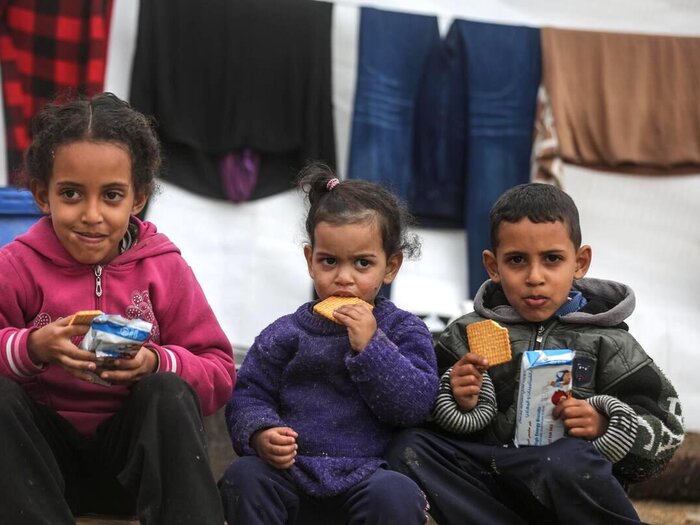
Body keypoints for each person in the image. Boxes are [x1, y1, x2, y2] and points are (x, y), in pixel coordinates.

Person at [386, 182, 685, 524]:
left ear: (580, 262)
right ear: (493, 265)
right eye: (516, 260)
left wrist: (606, 426)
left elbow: (668, 431)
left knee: (567, 461)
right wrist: (455, 400)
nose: (535, 277)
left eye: (552, 259)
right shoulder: (466, 334)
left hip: (564, 482)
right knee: (409, 448)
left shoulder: (609, 341)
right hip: (491, 480)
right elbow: (416, 408)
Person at [0, 92, 236, 524]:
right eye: (71, 193)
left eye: (111, 196)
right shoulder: (16, 266)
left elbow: (219, 370)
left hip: (132, 472)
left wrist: (155, 362)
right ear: (41, 195)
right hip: (39, 475)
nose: (92, 215)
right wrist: (31, 348)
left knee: (166, 390)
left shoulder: (164, 268)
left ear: (138, 198)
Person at [218, 163, 438, 525]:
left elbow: (414, 406)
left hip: (367, 476)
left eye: (363, 263)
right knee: (245, 477)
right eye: (329, 261)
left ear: (391, 266)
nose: (344, 278)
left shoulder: (403, 330)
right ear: (310, 260)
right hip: (291, 476)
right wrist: (260, 433)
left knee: (397, 494)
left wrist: (372, 347)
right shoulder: (285, 333)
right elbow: (248, 395)